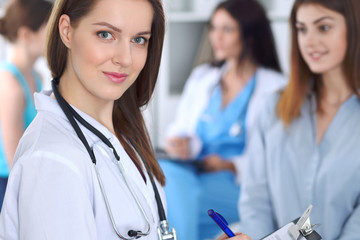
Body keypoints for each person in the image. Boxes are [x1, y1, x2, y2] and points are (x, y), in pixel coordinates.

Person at [0, 0, 172, 239]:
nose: (126, 59)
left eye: (139, 39)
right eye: (106, 34)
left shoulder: (122, 133)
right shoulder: (53, 162)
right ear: (66, 31)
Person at [229, 0, 360, 239]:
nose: (309, 41)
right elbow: (255, 201)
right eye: (302, 29)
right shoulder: (273, 109)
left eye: (324, 27)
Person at [158, 0, 287, 239]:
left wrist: (230, 164)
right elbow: (179, 128)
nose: (216, 37)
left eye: (227, 29)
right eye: (213, 28)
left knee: (177, 202)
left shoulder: (275, 88)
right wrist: (181, 144)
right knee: (165, 172)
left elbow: (278, 157)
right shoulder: (203, 78)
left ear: (250, 34)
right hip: (194, 170)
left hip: (236, 182)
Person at [0, 0, 52, 209]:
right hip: (7, 184)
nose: (54, 39)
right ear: (26, 35)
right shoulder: (10, 84)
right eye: (48, 31)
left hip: (26, 179)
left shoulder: (37, 77)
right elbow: (14, 159)